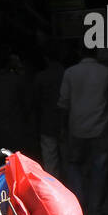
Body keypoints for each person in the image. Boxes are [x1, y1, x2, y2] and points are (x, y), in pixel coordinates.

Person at [58, 45, 108, 215]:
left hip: (76, 128)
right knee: (99, 167)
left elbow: (63, 103)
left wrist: (63, 128)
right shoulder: (107, 73)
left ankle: (78, 203)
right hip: (100, 128)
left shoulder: (70, 73)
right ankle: (95, 208)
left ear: (80, 53)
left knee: (73, 165)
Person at [32, 45, 69, 179]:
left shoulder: (41, 77)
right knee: (68, 161)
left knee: (50, 162)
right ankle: (72, 190)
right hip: (68, 121)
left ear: (46, 59)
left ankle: (54, 191)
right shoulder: (67, 74)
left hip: (47, 122)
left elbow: (35, 102)